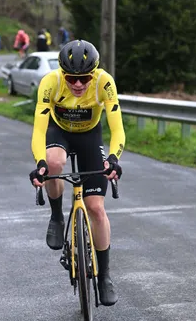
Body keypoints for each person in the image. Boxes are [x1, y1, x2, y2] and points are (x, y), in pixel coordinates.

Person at [29, 40, 125, 306]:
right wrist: (40, 164)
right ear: (63, 73)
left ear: (93, 73)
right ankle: (57, 216)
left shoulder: (104, 83)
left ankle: (104, 275)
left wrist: (114, 158)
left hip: (89, 136)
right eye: (72, 78)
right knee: (54, 163)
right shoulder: (50, 82)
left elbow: (117, 129)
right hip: (59, 132)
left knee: (96, 208)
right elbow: (38, 130)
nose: (79, 84)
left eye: (84, 78)